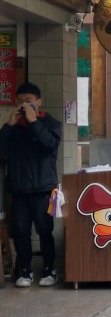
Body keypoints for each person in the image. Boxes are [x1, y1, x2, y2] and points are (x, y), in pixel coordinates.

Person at [0, 81, 62, 286]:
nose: (24, 106)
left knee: (44, 230)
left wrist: (34, 122)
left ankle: (48, 269)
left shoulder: (50, 123)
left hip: (43, 187)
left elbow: (50, 145)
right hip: (18, 188)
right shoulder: (13, 128)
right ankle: (23, 270)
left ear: (39, 102)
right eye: (20, 102)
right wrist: (9, 125)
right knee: (21, 231)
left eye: (28, 101)